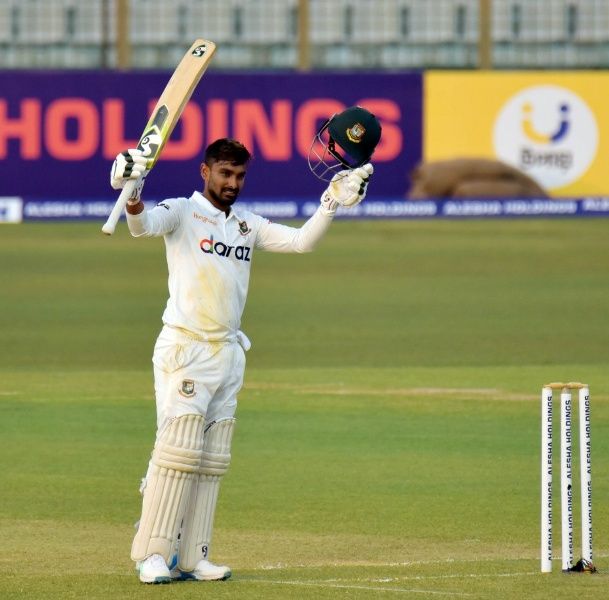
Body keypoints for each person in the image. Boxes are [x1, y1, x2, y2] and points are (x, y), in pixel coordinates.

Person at [109, 106, 381, 584]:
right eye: (225, 173)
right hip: (184, 348)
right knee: (178, 450)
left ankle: (193, 554)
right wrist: (131, 192)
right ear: (205, 171)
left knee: (211, 457)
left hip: (228, 353)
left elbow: (301, 244)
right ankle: (151, 554)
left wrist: (330, 204)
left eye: (239, 174)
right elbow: (141, 225)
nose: (233, 182)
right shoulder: (182, 211)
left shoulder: (247, 224)